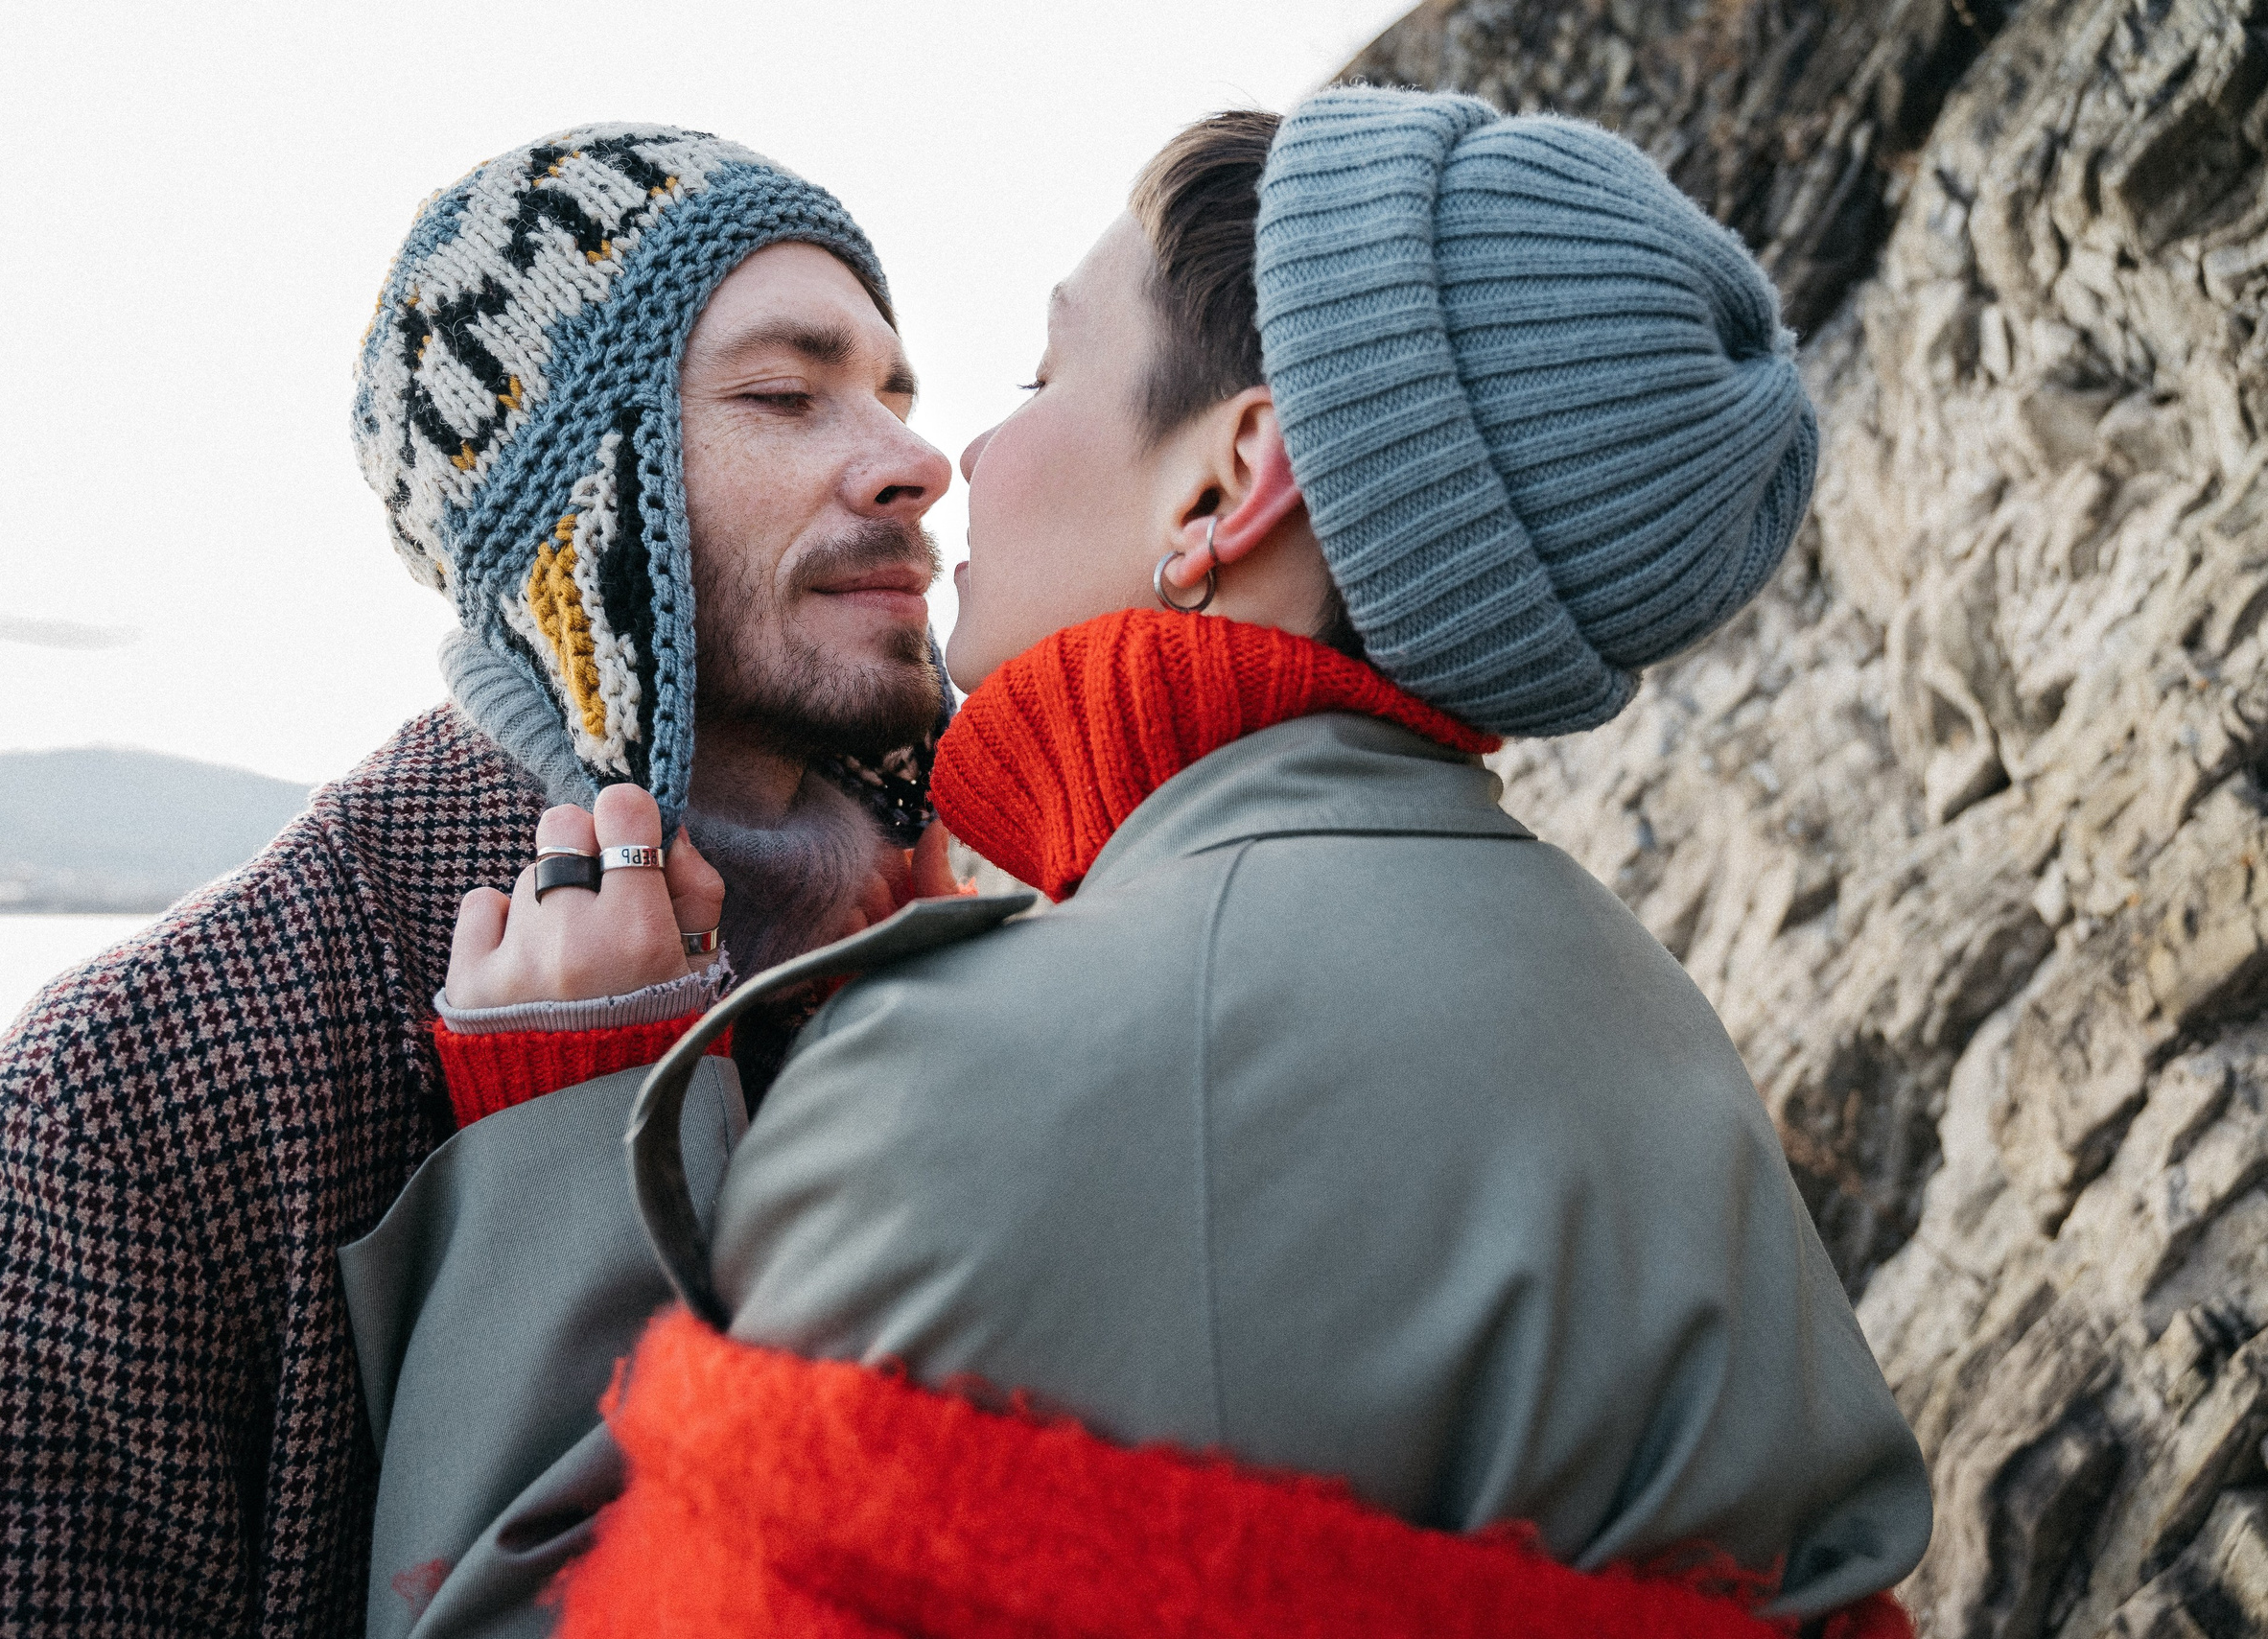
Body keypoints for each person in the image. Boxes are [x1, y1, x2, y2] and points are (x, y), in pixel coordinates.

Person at [441, 92, 1935, 1636]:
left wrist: (559, 1125)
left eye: (1042, 371)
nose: (959, 456)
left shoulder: (996, 1075)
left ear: (1226, 483)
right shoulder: (1629, 1000)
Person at [0, 122, 961, 1635]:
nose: (911, 460)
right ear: (569, 514)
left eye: (890, 392)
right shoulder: (130, 1103)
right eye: (783, 393)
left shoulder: (976, 958)